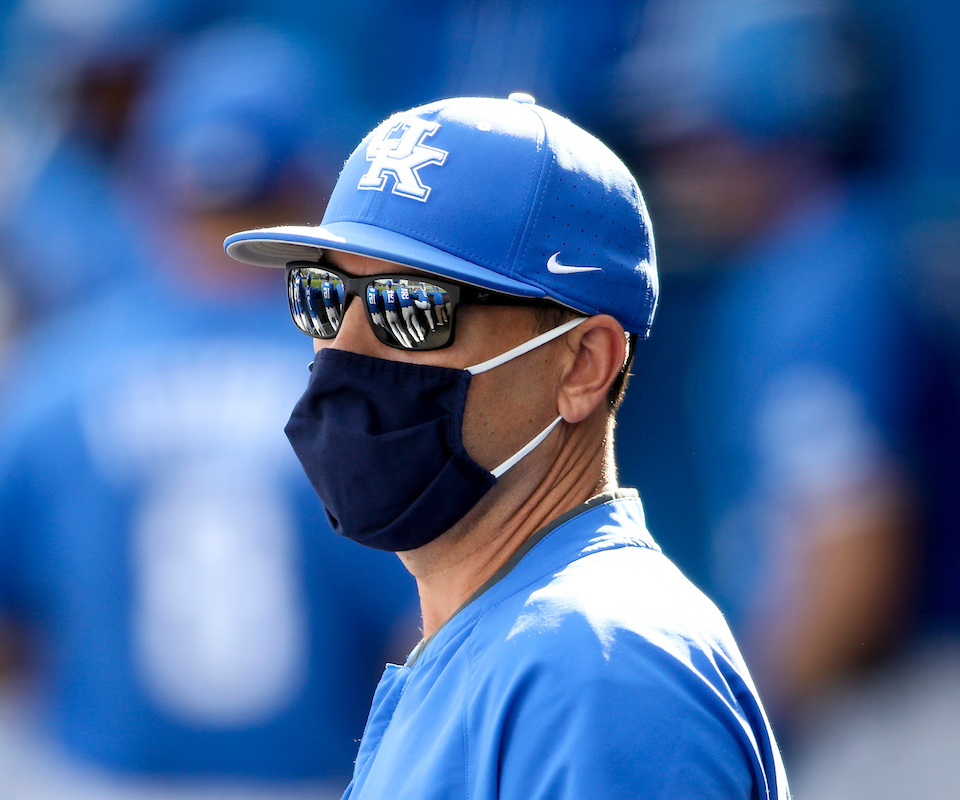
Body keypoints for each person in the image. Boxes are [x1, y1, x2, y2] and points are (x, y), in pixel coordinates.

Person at [224, 94, 789, 799]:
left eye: (412, 306)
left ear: (583, 365)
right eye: (323, 296)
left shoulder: (597, 668)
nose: (346, 348)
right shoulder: (507, 644)